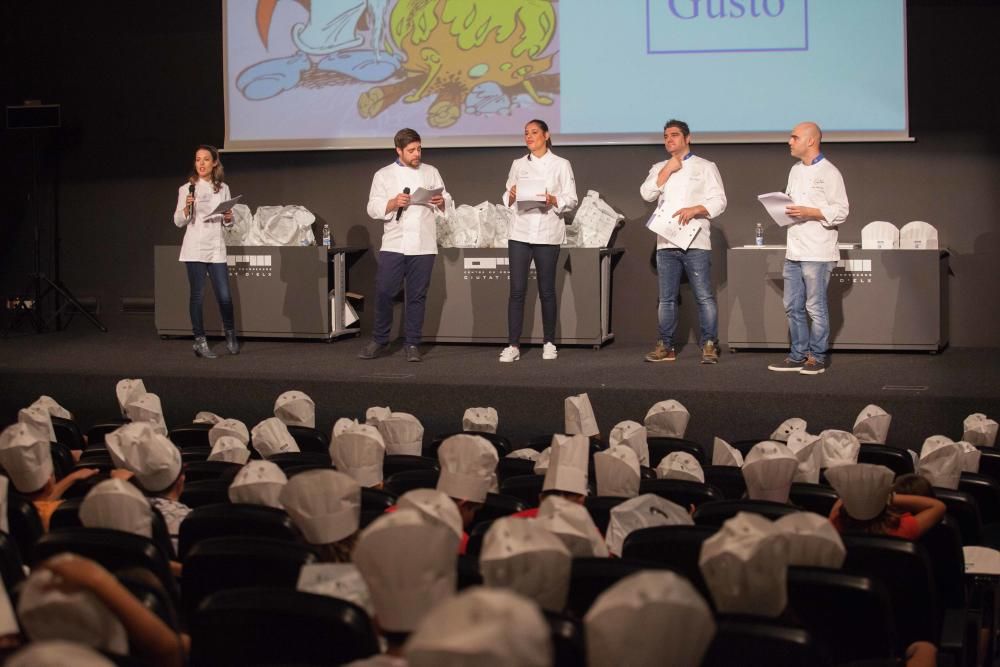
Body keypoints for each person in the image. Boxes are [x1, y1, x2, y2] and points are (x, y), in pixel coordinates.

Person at [640, 119, 727, 364]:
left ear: (687, 138)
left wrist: (697, 208)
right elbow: (646, 193)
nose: (670, 139)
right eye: (666, 136)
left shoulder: (705, 166)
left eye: (675, 135)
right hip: (666, 242)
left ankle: (709, 344)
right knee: (666, 298)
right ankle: (665, 346)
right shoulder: (660, 166)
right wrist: (667, 170)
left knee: (704, 296)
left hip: (696, 241)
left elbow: (719, 201)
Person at [360, 128, 449, 363]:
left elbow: (447, 200)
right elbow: (372, 207)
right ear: (398, 150)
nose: (416, 154)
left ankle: (412, 343)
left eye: (419, 149)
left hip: (424, 243)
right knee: (385, 292)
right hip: (394, 242)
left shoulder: (431, 172)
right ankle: (380, 340)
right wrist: (392, 202)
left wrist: (441, 202)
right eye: (411, 150)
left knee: (417, 296)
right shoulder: (384, 175)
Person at [767, 122, 849, 375]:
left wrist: (810, 212)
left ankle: (818, 356)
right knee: (792, 305)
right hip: (794, 250)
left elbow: (842, 211)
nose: (789, 142)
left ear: (811, 141)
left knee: (815, 306)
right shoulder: (794, 170)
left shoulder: (830, 172)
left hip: (818, 250)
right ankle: (797, 355)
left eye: (794, 137)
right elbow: (793, 203)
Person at [499, 119, 578, 363]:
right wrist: (510, 195)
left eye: (534, 132)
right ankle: (513, 345)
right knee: (517, 291)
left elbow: (572, 199)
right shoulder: (518, 164)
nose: (529, 137)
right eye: (526, 133)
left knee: (547, 291)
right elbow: (506, 196)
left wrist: (553, 199)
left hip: (547, 232)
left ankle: (549, 342)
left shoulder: (561, 164)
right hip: (520, 232)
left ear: (546, 135)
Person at [172, 144, 239, 359]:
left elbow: (228, 221)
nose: (201, 163)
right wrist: (186, 208)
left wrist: (229, 218)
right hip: (195, 247)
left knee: (225, 296)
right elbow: (178, 221)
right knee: (198, 296)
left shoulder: (223, 188)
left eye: (205, 159)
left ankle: (230, 334)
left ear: (214, 162)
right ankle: (199, 341)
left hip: (216, 246)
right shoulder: (187, 189)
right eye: (197, 159)